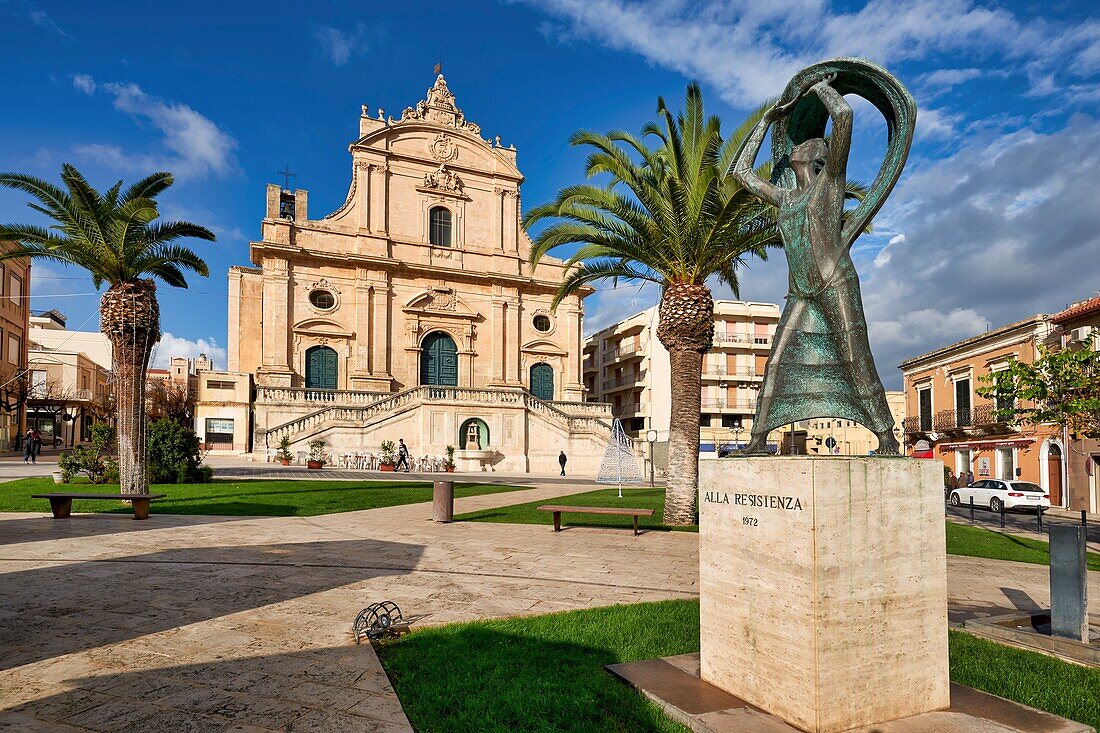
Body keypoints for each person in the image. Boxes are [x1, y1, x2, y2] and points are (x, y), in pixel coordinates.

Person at [733, 65, 912, 456]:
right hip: (802, 292)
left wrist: (821, 88)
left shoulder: (829, 185)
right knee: (777, 362)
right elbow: (741, 172)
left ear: (819, 156)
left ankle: (886, 437)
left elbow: (844, 116)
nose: (804, 143)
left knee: (854, 355)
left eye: (813, 142)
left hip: (835, 281)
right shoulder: (787, 197)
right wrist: (765, 122)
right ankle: (759, 440)